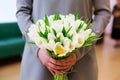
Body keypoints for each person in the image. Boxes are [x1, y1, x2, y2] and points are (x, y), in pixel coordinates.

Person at [16, 0, 111, 80]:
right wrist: (37, 49)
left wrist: (82, 47)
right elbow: (22, 11)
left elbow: (103, 12)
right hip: (38, 62)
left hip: (82, 63)